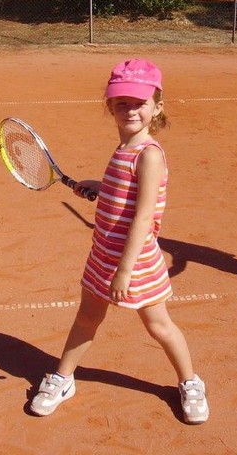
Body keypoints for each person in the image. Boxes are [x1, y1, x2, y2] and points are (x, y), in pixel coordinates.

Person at [29, 59, 209, 424]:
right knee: (86, 318)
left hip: (136, 262)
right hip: (103, 254)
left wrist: (125, 271)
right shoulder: (124, 149)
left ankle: (190, 382)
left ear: (157, 106)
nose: (130, 109)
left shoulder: (150, 155)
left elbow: (144, 217)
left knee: (158, 325)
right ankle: (63, 379)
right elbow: (125, 193)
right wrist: (101, 186)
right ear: (109, 106)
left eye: (139, 102)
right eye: (121, 102)